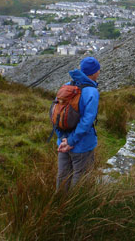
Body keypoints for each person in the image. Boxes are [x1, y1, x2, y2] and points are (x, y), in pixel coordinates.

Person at [56, 56, 101, 191]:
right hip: (82, 144)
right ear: (93, 73)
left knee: (63, 176)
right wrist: (71, 141)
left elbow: (56, 114)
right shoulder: (92, 91)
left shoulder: (66, 86)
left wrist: (63, 139)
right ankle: (76, 208)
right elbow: (87, 121)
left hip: (62, 143)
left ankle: (58, 205)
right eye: (98, 70)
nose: (99, 73)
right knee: (80, 177)